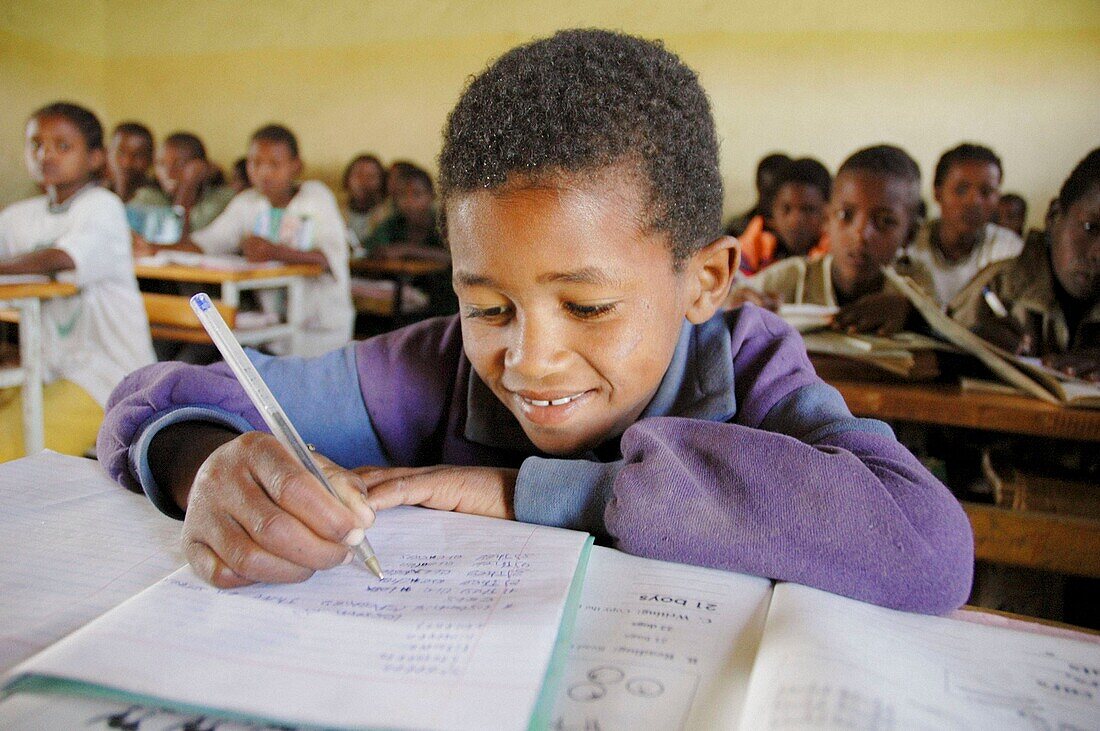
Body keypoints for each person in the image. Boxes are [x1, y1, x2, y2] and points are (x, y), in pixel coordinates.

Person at [98, 30, 972, 615]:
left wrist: (530, 493)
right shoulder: (432, 368)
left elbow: (929, 546)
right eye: (487, 305)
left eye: (587, 305)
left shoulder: (748, 364)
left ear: (705, 280)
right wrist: (203, 462)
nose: (529, 358)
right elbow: (148, 396)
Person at [0, 102, 154, 461]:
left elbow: (62, 258)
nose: (46, 154)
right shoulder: (20, 216)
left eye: (63, 145)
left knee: (9, 451)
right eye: (36, 144)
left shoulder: (102, 207)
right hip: (47, 368)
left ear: (97, 158)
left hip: (107, 378)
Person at [181, 124, 353, 356]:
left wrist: (275, 252)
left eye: (274, 164)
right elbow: (206, 243)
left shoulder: (315, 197)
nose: (264, 172)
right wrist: (153, 247)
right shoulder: (248, 203)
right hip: (274, 334)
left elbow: (328, 258)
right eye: (255, 163)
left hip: (323, 332)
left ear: (296, 166)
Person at [731, 145, 923, 335]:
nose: (860, 234)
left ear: (909, 235)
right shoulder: (788, 279)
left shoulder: (915, 294)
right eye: (844, 215)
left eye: (884, 221)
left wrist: (913, 315)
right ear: (827, 219)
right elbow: (725, 304)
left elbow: (946, 331)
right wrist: (732, 306)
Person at [953, 148, 1099, 380]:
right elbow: (927, 365)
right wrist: (967, 351)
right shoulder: (998, 285)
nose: (1097, 254)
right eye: (1091, 227)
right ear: (1053, 216)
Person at [905, 143, 1024, 308]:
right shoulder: (908, 243)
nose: (974, 202)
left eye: (986, 192)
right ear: (937, 193)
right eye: (961, 190)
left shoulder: (1008, 250)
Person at [130, 132, 235, 253]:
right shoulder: (148, 196)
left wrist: (188, 187)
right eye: (161, 164)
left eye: (179, 164)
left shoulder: (222, 199)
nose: (168, 173)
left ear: (200, 167)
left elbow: (180, 242)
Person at [737, 157, 831, 276]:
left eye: (808, 209)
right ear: (772, 210)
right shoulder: (755, 244)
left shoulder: (837, 252)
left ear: (828, 212)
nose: (795, 220)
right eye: (786, 209)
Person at [724, 152, 789, 237]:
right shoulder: (737, 230)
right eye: (769, 193)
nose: (774, 200)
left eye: (780, 194)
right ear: (758, 186)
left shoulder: (801, 233)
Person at [104, 122, 160, 204]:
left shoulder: (153, 201)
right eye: (121, 153)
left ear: (151, 160)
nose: (127, 162)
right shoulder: (96, 193)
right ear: (108, 153)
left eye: (138, 155)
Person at [342, 153, 388, 249]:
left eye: (371, 176)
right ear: (347, 180)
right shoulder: (334, 211)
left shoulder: (388, 214)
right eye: (358, 175)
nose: (363, 181)